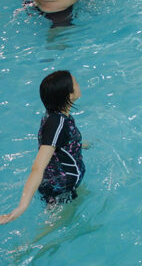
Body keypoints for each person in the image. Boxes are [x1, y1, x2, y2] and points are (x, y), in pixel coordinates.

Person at [0, 71, 86, 224]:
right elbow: (38, 167)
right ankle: (27, 248)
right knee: (55, 233)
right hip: (61, 190)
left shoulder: (55, 116)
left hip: (59, 183)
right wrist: (22, 207)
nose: (79, 84)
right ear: (68, 95)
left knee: (83, 200)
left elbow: (62, 144)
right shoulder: (57, 124)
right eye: (75, 83)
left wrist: (81, 145)